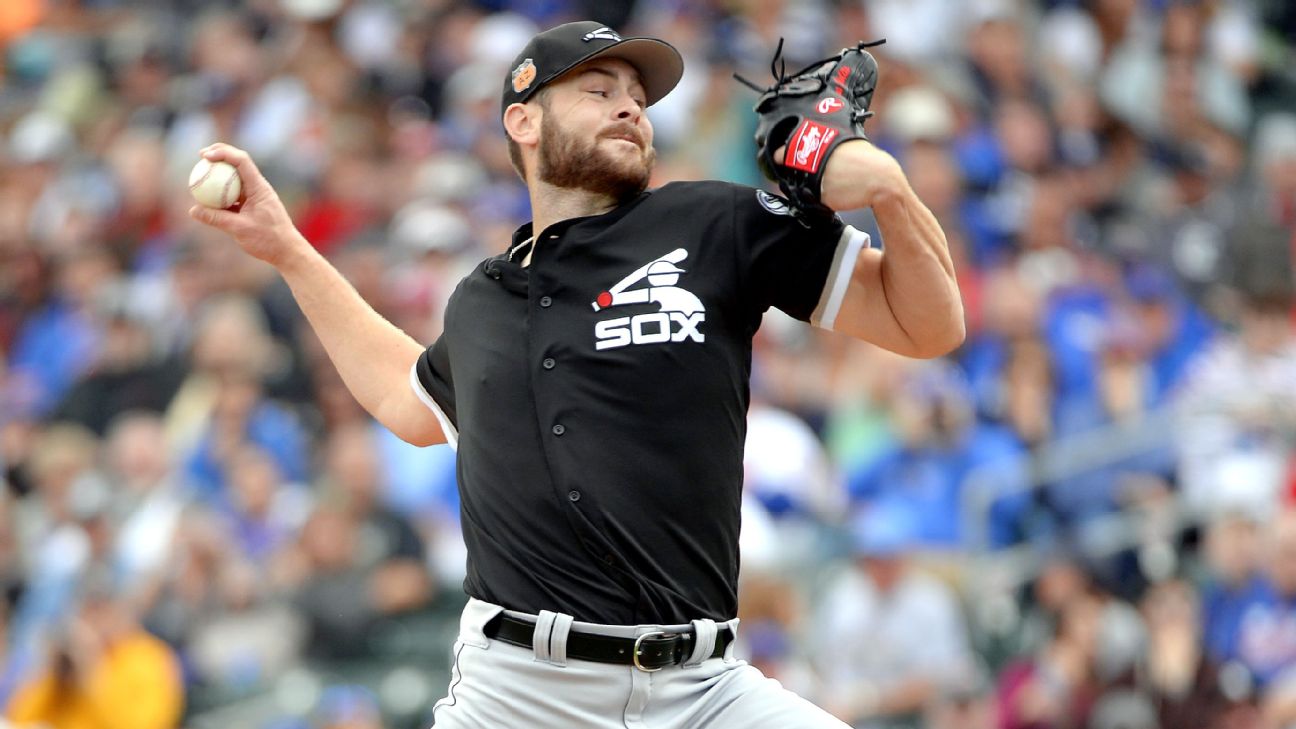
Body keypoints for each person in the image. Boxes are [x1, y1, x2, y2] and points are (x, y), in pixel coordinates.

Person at [187, 20, 963, 729]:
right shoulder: (485, 297)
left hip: (703, 690)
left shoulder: (713, 222)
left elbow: (928, 324)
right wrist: (287, 248)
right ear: (522, 121)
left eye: (638, 97)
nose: (630, 107)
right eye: (599, 91)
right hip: (518, 693)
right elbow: (407, 399)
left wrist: (890, 191)